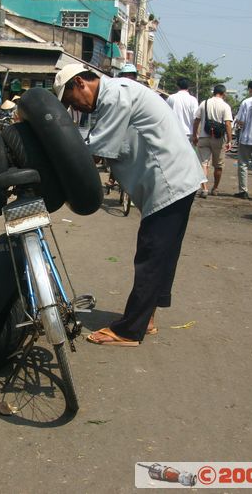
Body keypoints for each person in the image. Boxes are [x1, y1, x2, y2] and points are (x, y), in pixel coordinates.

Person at [53, 64, 205, 346]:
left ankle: (128, 330)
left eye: (72, 100)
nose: (76, 107)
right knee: (163, 254)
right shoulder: (114, 96)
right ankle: (146, 319)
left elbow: (95, 151)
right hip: (175, 179)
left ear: (80, 84)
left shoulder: (115, 96)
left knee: (151, 253)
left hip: (169, 181)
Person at [192, 84, 234, 197]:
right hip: (218, 139)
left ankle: (204, 188)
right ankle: (215, 188)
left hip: (204, 137)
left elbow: (196, 120)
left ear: (213, 92)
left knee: (203, 163)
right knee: (218, 165)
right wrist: (230, 140)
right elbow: (228, 124)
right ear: (224, 94)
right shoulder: (225, 106)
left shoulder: (204, 103)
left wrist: (194, 135)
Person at [166, 78, 199, 143]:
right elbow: (196, 119)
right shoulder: (193, 100)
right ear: (188, 87)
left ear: (177, 86)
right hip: (189, 134)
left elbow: (166, 114)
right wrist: (196, 134)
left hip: (174, 132)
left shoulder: (171, 98)